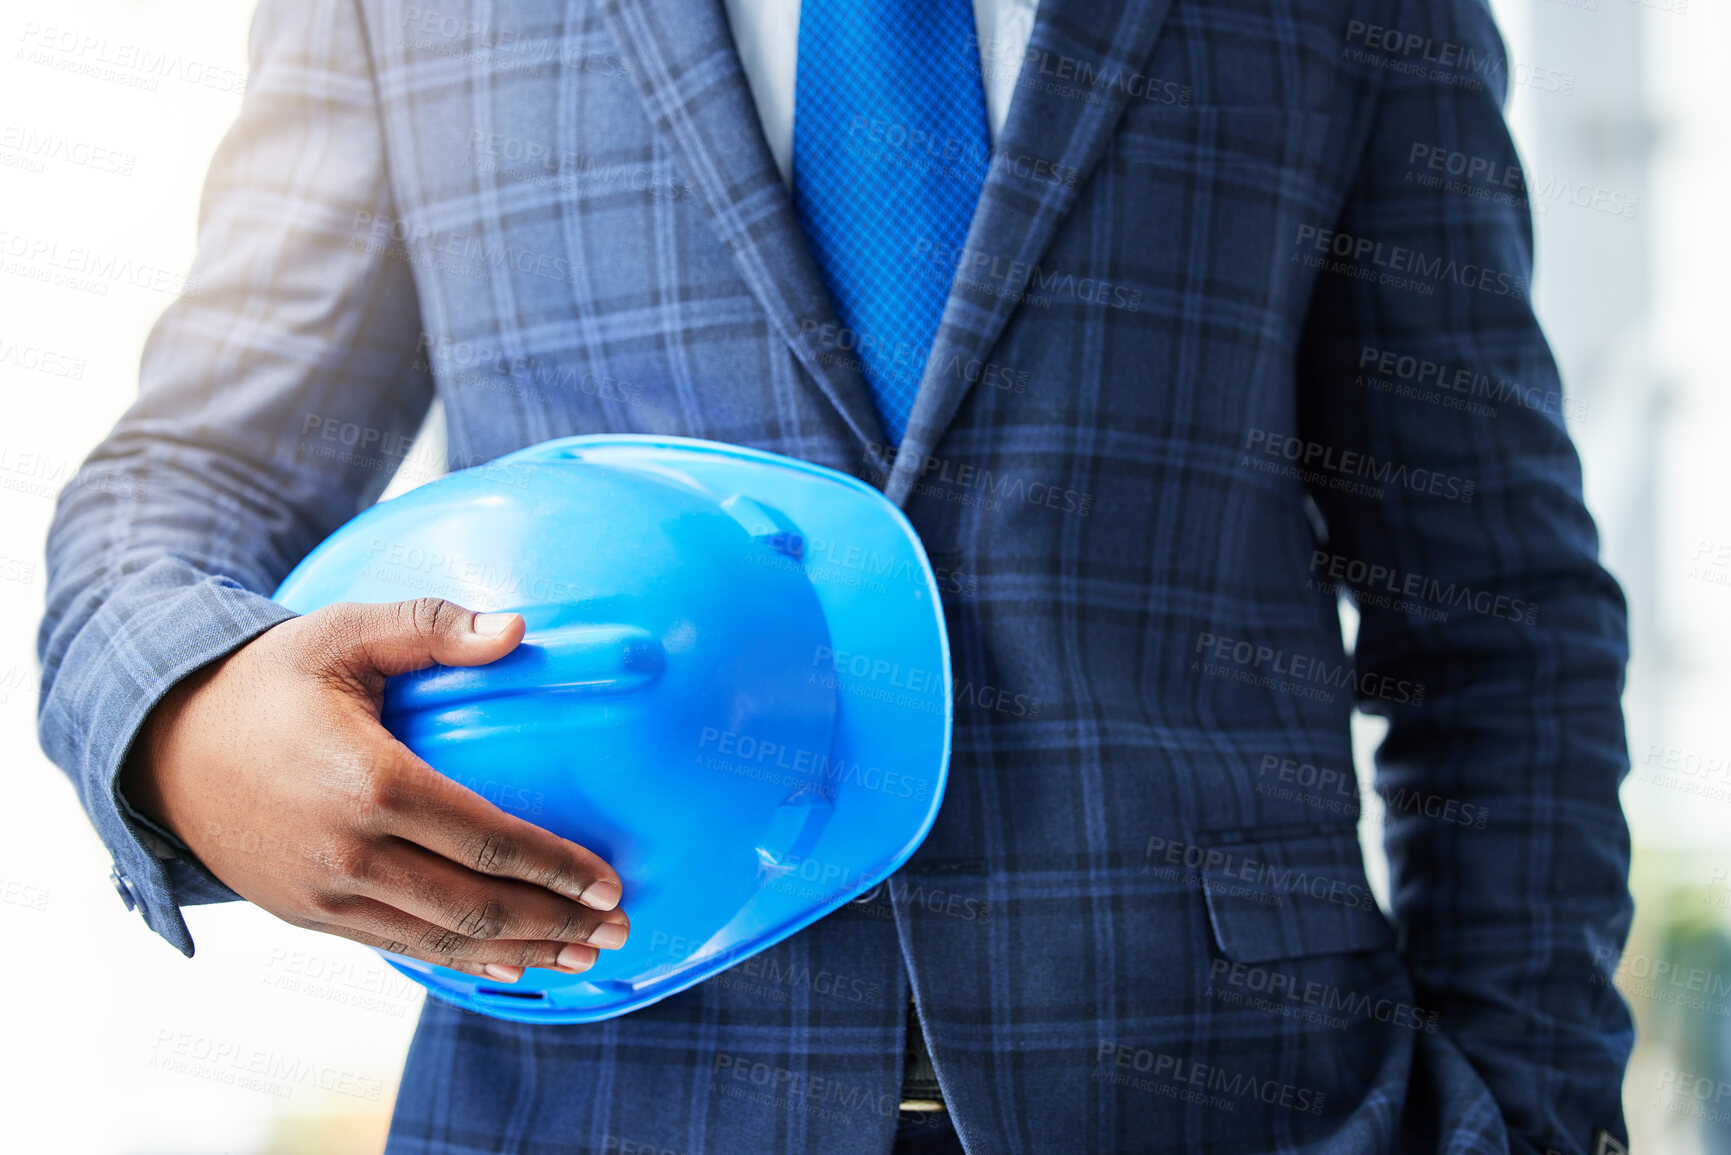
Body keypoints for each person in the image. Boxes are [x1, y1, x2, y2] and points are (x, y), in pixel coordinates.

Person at [37, 0, 1636, 1152]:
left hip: (1248, 1099)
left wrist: (1530, 1109)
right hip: (602, 1105)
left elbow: (1498, 621)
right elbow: (190, 478)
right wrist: (189, 720)